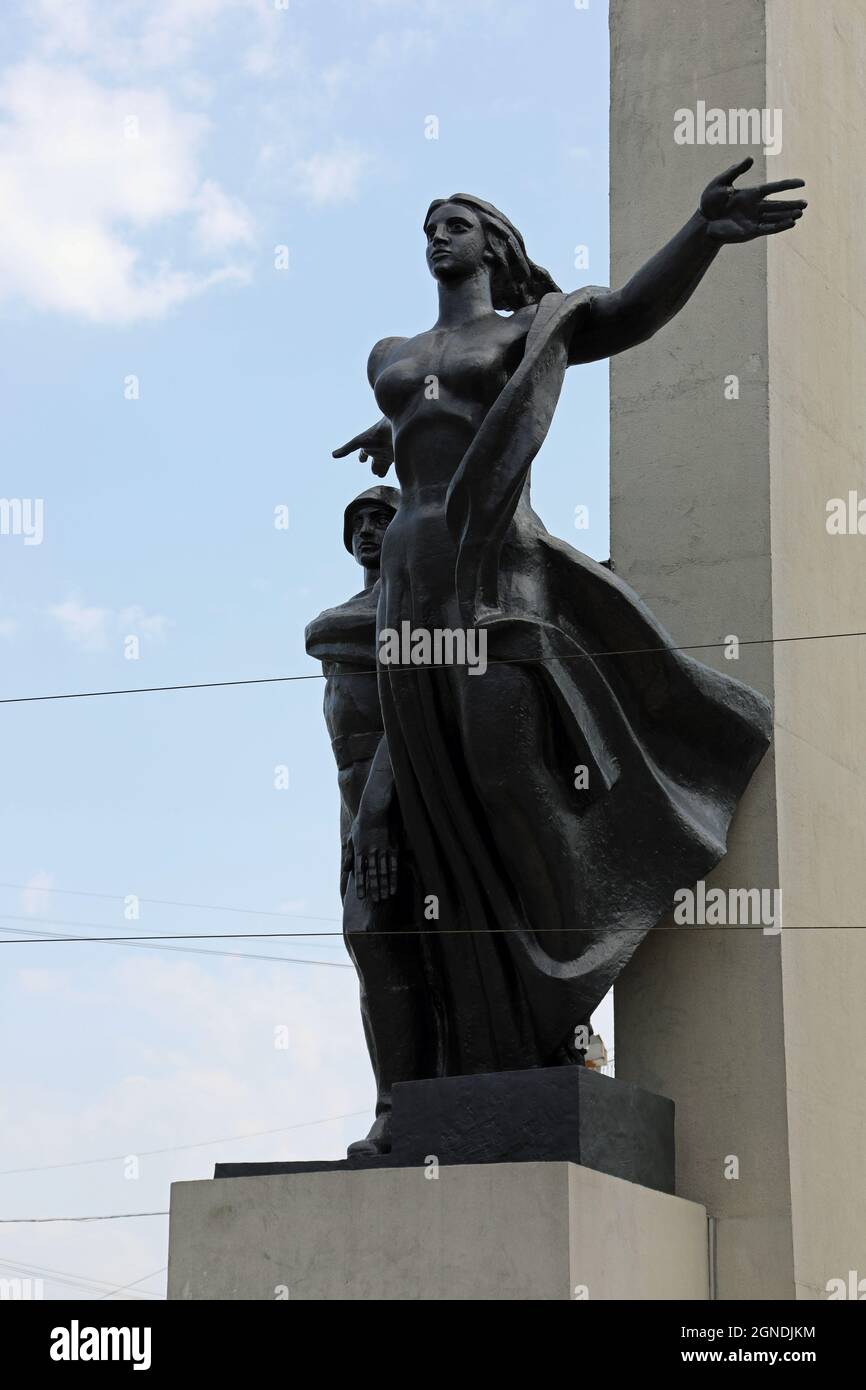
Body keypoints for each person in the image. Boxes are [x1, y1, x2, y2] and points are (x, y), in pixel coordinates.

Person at [331, 158, 806, 1151]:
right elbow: (434, 408)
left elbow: (625, 313)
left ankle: (552, 1011)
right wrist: (398, 428)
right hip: (408, 599)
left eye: (456, 221)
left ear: (493, 246)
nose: (437, 233)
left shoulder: (524, 332)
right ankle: (449, 1066)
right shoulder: (390, 351)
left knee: (512, 805)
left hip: (496, 581)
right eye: (428, 221)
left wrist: (700, 232)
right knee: (424, 811)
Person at [306, 487, 439, 1156]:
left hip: (399, 798)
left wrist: (380, 817)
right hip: (351, 803)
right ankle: (404, 1106)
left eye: (380, 518)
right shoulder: (353, 615)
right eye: (355, 520)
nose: (365, 529)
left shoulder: (416, 609)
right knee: (375, 948)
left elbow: (408, 711)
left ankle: (400, 1114)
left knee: (385, 938)